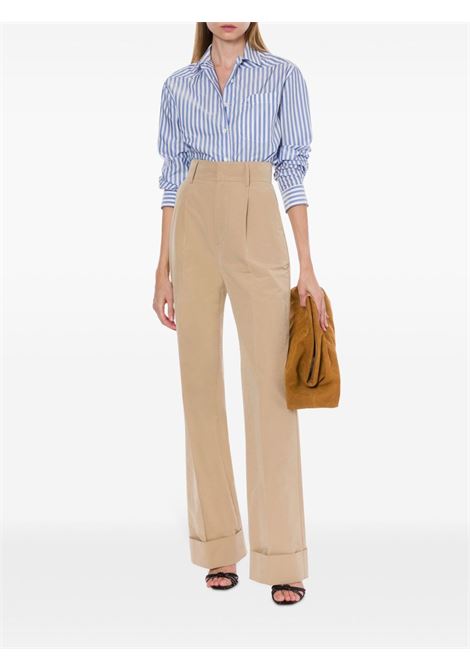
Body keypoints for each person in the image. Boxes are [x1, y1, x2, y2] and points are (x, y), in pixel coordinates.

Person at [153, 22, 328, 605]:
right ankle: (217, 545)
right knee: (199, 385)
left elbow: (292, 170)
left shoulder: (283, 77)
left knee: (271, 391)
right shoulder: (178, 85)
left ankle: (282, 555)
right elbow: (172, 178)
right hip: (195, 222)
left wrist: (307, 265)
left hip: (258, 212)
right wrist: (163, 265)